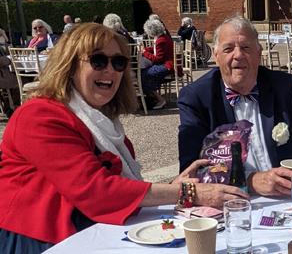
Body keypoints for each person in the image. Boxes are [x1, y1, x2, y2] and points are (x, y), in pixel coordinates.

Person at [0, 23, 247, 253]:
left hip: (93, 230)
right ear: (70, 65)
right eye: (98, 60)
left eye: (119, 62)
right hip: (39, 239)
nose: (110, 70)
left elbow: (121, 189)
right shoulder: (39, 116)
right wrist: (188, 192)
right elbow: (97, 192)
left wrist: (174, 188)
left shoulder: (102, 122)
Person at [177, 15, 292, 197]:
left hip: (286, 203)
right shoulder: (196, 97)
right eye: (228, 49)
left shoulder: (285, 87)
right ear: (215, 55)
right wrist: (250, 181)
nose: (238, 55)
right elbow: (190, 173)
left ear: (259, 52)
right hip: (230, 205)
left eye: (245, 47)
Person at [141, 19, 181, 110]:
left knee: (145, 74)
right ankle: (151, 98)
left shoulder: (161, 40)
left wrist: (144, 52)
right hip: (167, 64)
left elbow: (157, 59)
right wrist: (146, 49)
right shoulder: (162, 37)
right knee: (144, 72)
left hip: (168, 66)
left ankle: (159, 99)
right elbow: (155, 49)